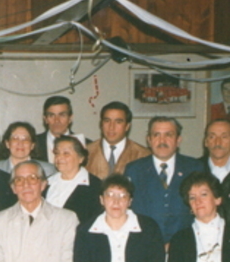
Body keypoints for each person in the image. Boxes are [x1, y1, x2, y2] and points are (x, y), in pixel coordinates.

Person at [125, 116, 204, 246]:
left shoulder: (194, 168)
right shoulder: (134, 170)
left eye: (169, 135)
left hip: (186, 246)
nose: (162, 141)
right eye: (156, 135)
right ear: (149, 140)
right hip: (144, 246)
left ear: (178, 140)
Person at [86, 102, 149, 180]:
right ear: (101, 124)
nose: (111, 127)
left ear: (127, 126)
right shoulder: (85, 153)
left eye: (118, 122)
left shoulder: (143, 155)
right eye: (107, 121)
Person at [46, 136, 102, 224]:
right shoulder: (46, 182)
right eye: (57, 153)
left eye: (66, 153)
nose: (59, 157)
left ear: (81, 158)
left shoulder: (96, 187)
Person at [33, 96, 87, 164]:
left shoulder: (86, 144)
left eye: (62, 115)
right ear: (45, 119)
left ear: (70, 118)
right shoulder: (33, 144)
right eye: (51, 115)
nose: (57, 120)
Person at [202, 119, 230, 218]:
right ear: (206, 142)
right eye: (212, 137)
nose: (218, 142)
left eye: (224, 137)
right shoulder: (194, 169)